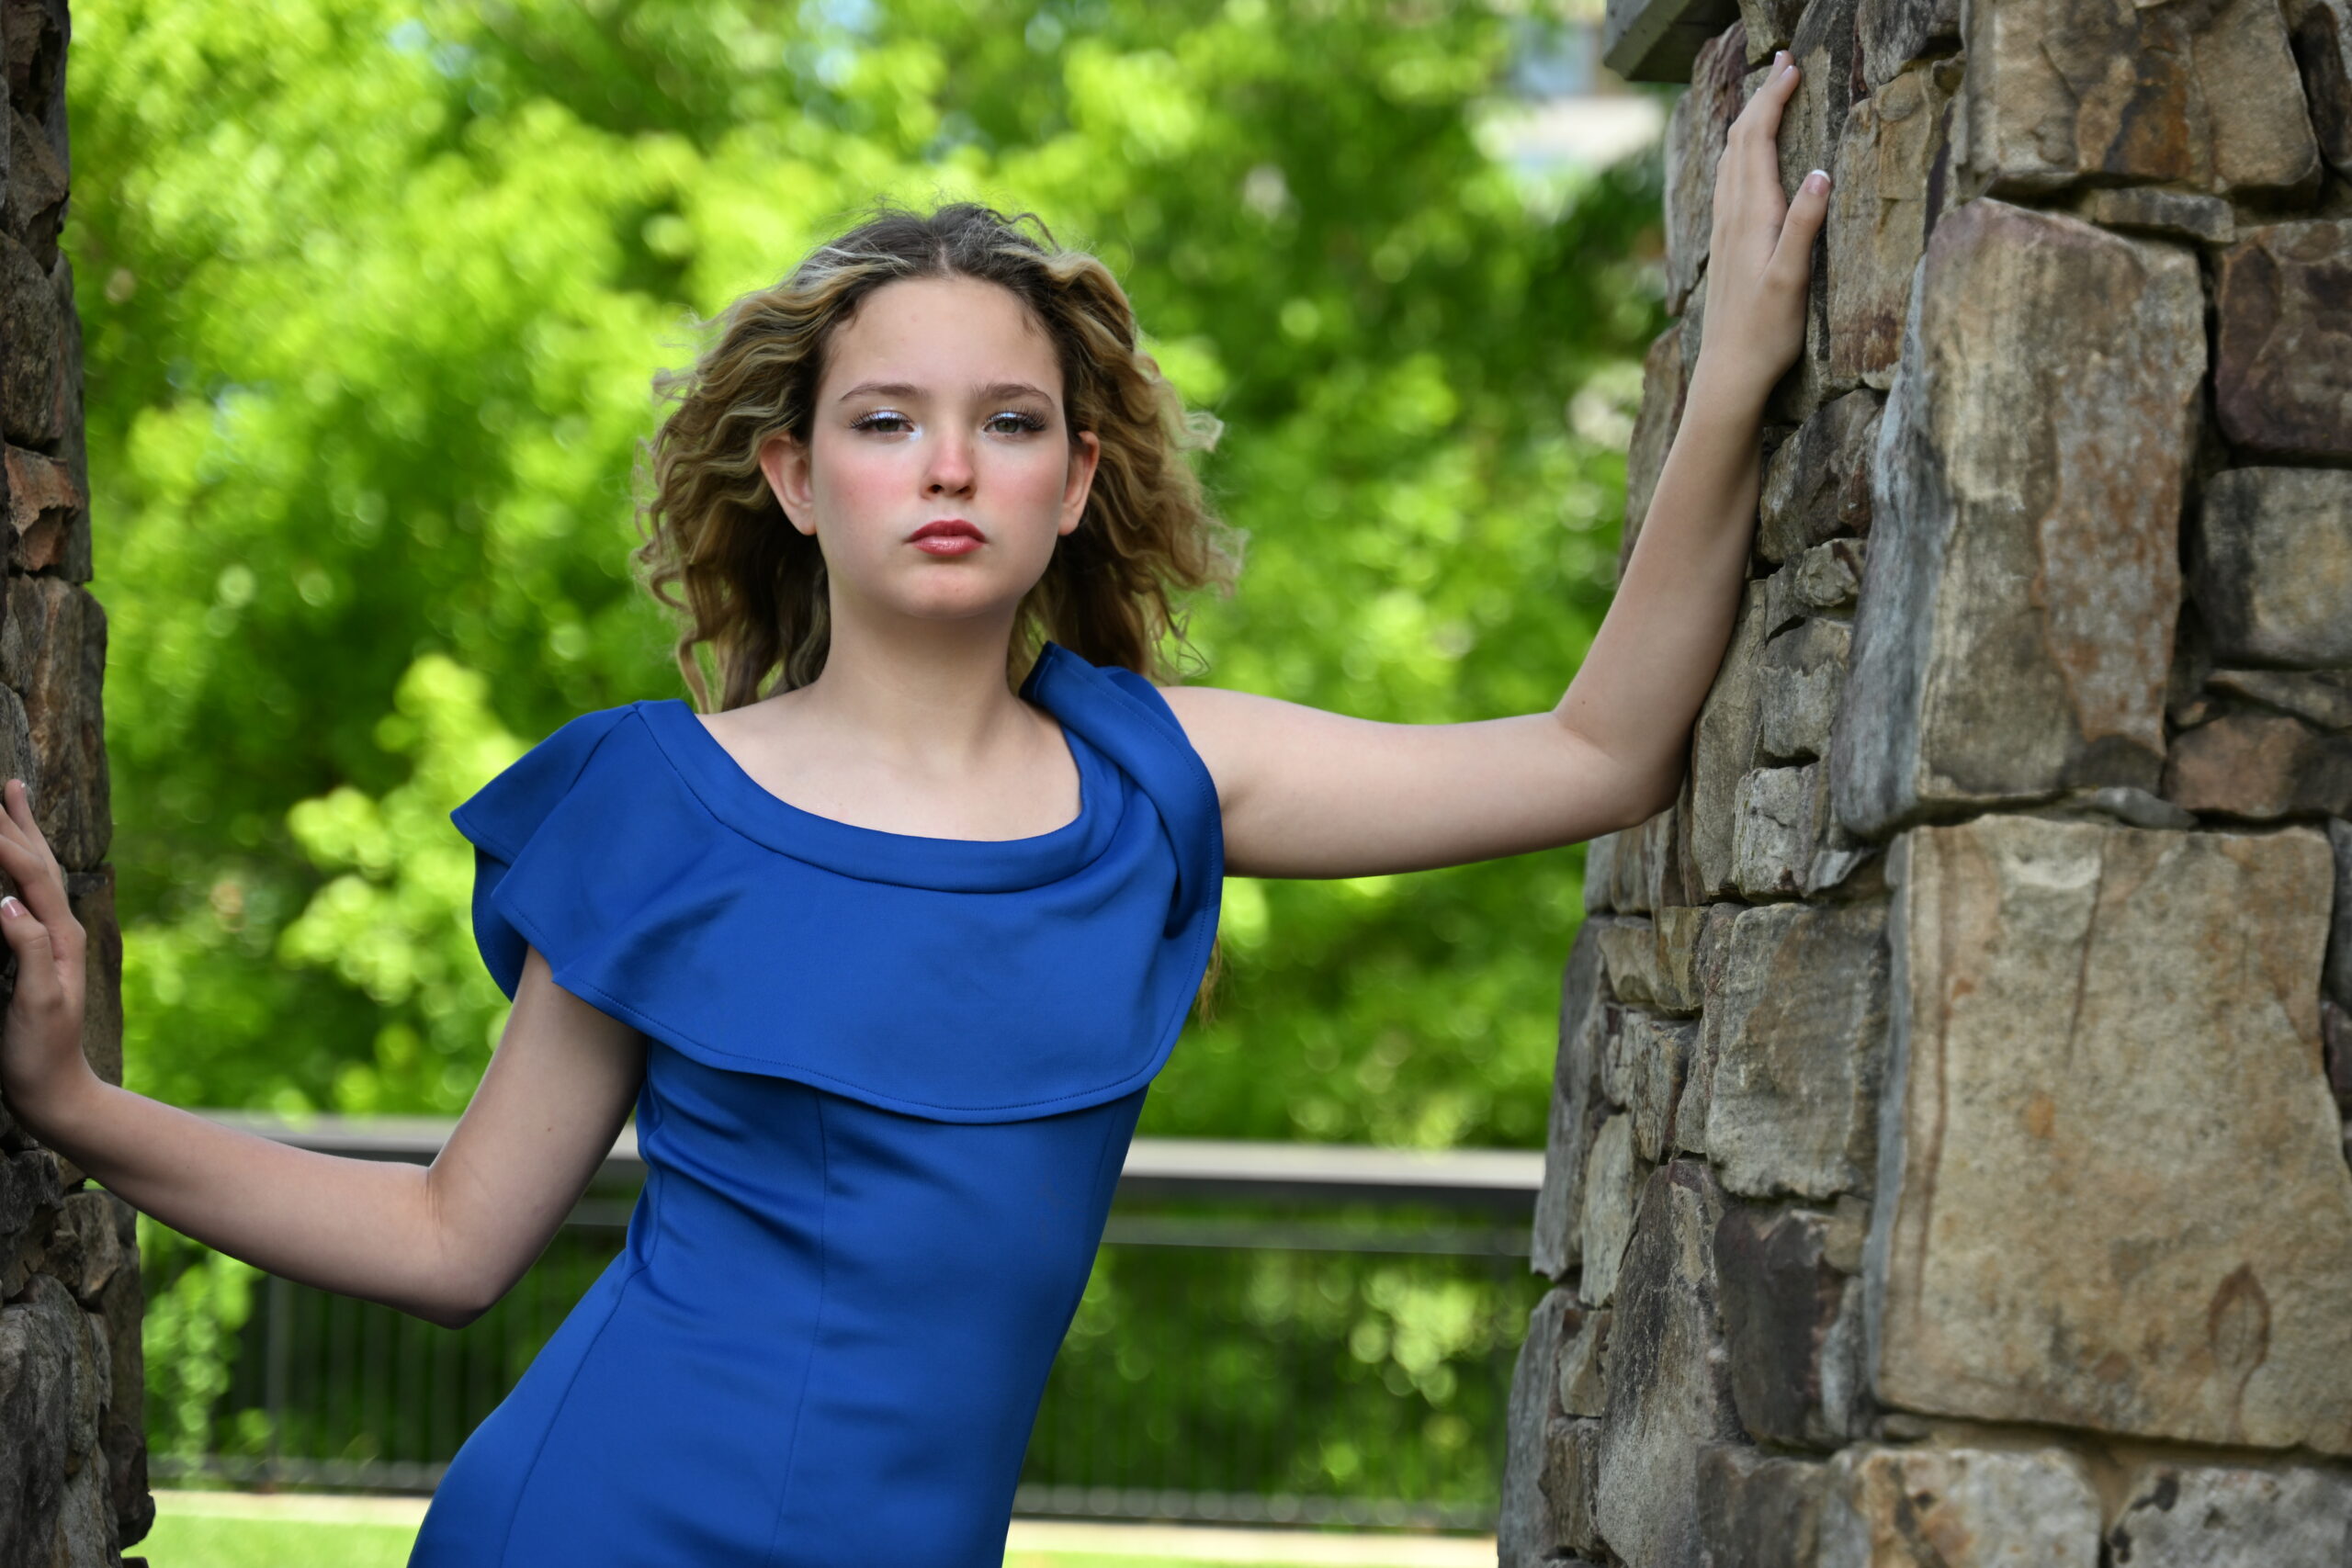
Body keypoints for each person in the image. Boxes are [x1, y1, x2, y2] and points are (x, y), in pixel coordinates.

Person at [0, 51, 1826, 1568]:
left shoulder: (1166, 777)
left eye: (1007, 422)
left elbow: (1597, 754)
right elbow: (447, 1242)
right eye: (885, 421)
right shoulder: (657, 808)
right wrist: (75, 1099)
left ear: (1074, 480)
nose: (949, 463)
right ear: (794, 477)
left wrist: (1736, 368)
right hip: (591, 1525)